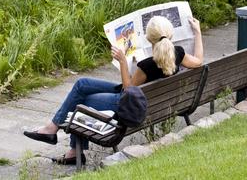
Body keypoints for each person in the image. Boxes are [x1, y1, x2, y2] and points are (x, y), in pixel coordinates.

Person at [24, 15, 203, 165]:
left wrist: (123, 62)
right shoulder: (178, 53)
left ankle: (65, 144)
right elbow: (199, 61)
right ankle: (56, 133)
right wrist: (198, 31)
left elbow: (128, 90)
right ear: (169, 35)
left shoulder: (147, 65)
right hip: (151, 101)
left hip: (127, 103)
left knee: (81, 100)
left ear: (149, 38)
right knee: (82, 84)